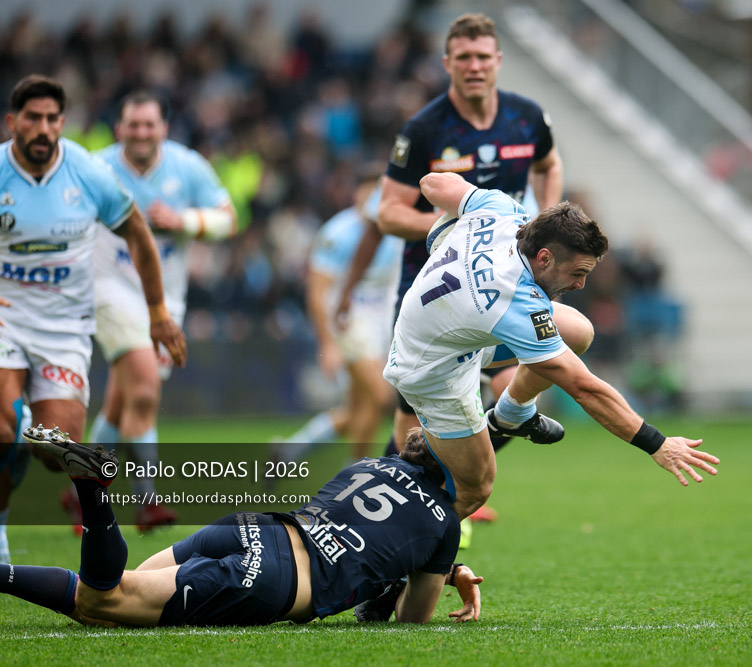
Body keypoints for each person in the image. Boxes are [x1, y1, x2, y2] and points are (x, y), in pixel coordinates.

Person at [335, 13, 581, 526]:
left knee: (525, 372)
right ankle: (382, 516)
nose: (474, 66)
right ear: (448, 63)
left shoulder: (527, 117)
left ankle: (452, 492)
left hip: (508, 283)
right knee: (411, 421)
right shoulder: (424, 128)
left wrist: (546, 220)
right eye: (463, 57)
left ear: (498, 61)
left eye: (483, 57)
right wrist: (464, 219)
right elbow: (387, 212)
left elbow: (549, 163)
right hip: (436, 285)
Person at [385, 172, 721, 519]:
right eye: (577, 272)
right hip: (432, 370)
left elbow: (431, 183)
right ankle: (396, 556)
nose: (580, 284)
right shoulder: (515, 300)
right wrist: (658, 444)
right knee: (474, 488)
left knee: (576, 331)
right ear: (544, 257)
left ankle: (512, 415)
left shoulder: (502, 210)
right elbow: (584, 388)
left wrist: (441, 233)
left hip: (451, 330)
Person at [1, 425, 481, 627]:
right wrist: (441, 572)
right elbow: (411, 620)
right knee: (103, 601)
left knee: (106, 602)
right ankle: (90, 486)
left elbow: (374, 530)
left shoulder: (369, 464)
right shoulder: (445, 523)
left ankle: (87, 487)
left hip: (252, 528)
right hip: (275, 577)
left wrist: (439, 567)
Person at [0, 75, 186, 562]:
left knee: (54, 449)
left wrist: (158, 315)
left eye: (51, 119)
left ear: (62, 123)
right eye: (32, 118)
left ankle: (22, 434)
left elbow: (139, 236)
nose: (42, 128)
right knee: (1, 426)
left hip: (64, 328)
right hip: (6, 319)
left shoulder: (85, 172)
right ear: (12, 122)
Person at [86, 90, 236, 531]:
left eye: (149, 125)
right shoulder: (96, 168)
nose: (141, 133)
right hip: (109, 290)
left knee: (120, 401)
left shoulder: (187, 166)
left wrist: (183, 220)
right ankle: (148, 501)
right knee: (146, 391)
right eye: (133, 125)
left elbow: (229, 219)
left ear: (163, 129)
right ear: (119, 129)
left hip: (167, 298)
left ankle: (81, 491)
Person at [275, 170, 400, 463]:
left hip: (381, 323)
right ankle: (355, 471)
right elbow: (317, 292)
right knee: (381, 396)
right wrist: (327, 343)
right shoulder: (338, 233)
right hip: (348, 323)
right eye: (367, 194)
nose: (373, 201)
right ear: (354, 194)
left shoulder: (394, 228)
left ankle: (288, 452)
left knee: (361, 406)